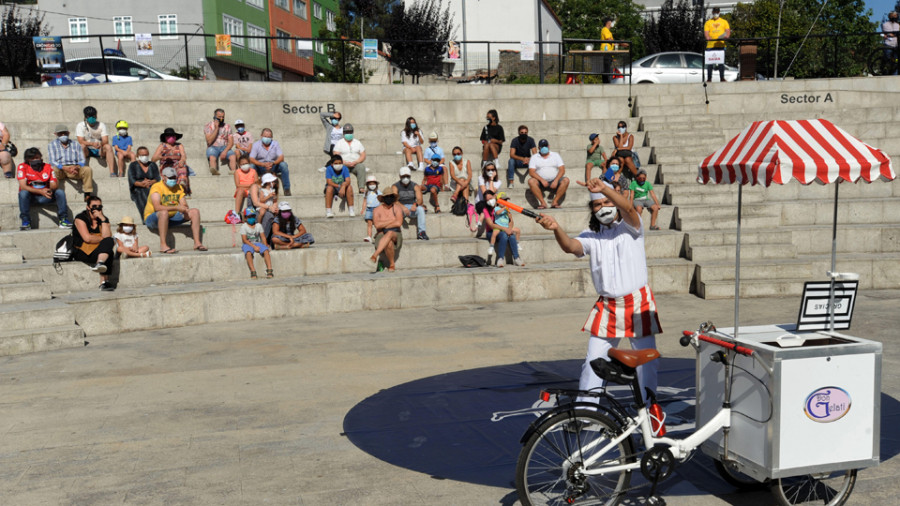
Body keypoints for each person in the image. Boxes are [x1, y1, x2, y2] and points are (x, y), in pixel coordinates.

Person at [536, 178, 662, 403]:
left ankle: (649, 408)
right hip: (608, 306)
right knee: (593, 361)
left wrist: (604, 189)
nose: (603, 207)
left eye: (606, 202)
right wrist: (556, 229)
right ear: (591, 210)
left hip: (637, 303)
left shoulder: (632, 227)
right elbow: (570, 247)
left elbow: (628, 208)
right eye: (597, 205)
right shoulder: (590, 235)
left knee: (646, 364)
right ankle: (587, 410)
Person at [143, 166, 206, 254]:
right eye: (170, 178)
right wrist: (177, 207)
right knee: (164, 213)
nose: (172, 180)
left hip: (171, 217)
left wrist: (184, 208)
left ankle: (197, 243)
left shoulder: (178, 187)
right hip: (153, 218)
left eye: (174, 178)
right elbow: (157, 207)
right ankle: (163, 245)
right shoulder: (156, 187)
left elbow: (184, 203)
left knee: (194, 212)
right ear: (163, 177)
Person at [17, 147, 71, 230]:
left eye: (37, 158)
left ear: (40, 157)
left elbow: (54, 185)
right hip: (31, 197)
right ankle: (26, 221)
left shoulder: (48, 167)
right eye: (32, 158)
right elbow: (23, 186)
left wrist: (48, 189)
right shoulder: (22, 167)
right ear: (27, 159)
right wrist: (40, 191)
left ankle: (63, 219)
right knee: (23, 193)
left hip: (45, 196)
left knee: (60, 192)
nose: (35, 160)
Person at [73, 195, 115, 291]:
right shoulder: (80, 218)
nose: (97, 209)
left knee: (109, 246)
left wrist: (103, 219)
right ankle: (105, 280)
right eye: (94, 206)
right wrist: (102, 239)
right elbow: (87, 238)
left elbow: (107, 236)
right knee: (108, 247)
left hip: (97, 250)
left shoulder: (103, 219)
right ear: (88, 207)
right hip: (81, 251)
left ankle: (101, 273)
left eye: (99, 206)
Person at [370, 186, 409, 272]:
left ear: (393, 198)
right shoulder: (376, 210)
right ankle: (392, 264)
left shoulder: (397, 208)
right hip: (381, 234)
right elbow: (377, 225)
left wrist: (384, 224)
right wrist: (392, 221)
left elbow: (398, 223)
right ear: (383, 198)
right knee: (389, 243)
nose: (389, 198)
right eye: (387, 197)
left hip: (396, 233)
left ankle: (375, 255)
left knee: (390, 233)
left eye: (391, 196)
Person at [49, 124, 93, 195]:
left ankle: (87, 193)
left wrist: (76, 167)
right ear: (56, 134)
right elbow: (52, 161)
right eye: (60, 134)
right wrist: (64, 168)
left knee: (88, 170)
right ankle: (54, 192)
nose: (63, 135)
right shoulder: (52, 145)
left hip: (74, 168)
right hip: (61, 169)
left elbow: (82, 160)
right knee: (53, 170)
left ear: (68, 133)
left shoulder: (75, 144)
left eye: (65, 133)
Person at [483, 191, 523, 268]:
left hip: (504, 228)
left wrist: (509, 229)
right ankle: (500, 258)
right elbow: (491, 225)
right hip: (492, 231)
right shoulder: (486, 210)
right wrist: (505, 229)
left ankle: (517, 258)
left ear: (495, 196)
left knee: (511, 236)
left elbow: (510, 221)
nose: (489, 201)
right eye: (487, 200)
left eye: (491, 198)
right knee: (504, 235)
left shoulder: (505, 208)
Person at [75, 105, 116, 177]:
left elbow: (105, 140)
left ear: (96, 116)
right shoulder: (80, 125)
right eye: (89, 116)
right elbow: (80, 141)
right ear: (85, 117)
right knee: (81, 146)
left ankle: (112, 172)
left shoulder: (101, 125)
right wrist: (91, 144)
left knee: (108, 147)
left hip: (99, 149)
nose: (92, 118)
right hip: (87, 150)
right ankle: (82, 171)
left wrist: (100, 144)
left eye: (93, 116)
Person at [527, 139, 569, 209]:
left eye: (545, 146)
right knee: (531, 181)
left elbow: (562, 170)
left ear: (548, 146)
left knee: (566, 180)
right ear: (539, 148)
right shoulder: (534, 157)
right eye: (542, 146)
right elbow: (531, 172)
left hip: (554, 180)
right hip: (540, 182)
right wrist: (542, 180)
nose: (544, 148)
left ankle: (555, 201)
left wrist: (556, 180)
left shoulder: (555, 155)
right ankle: (542, 203)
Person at [249, 128, 291, 196]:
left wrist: (273, 163)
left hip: (273, 165)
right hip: (261, 167)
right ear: (261, 135)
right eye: (265, 136)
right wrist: (262, 164)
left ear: (272, 137)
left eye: (269, 137)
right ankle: (253, 188)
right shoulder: (256, 145)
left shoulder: (275, 144)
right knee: (251, 166)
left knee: (284, 165)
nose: (267, 138)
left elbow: (281, 157)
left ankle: (287, 189)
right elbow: (251, 159)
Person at [152, 127, 191, 196]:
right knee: (169, 172)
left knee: (183, 167)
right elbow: (153, 159)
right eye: (169, 136)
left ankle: (182, 187)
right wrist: (160, 157)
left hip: (177, 164)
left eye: (172, 136)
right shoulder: (162, 146)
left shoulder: (179, 145)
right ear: (165, 137)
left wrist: (182, 160)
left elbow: (183, 155)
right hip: (166, 165)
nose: (171, 137)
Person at [394, 166, 428, 240]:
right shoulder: (395, 186)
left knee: (420, 209)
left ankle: (422, 232)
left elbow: (419, 199)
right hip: (400, 206)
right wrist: (403, 207)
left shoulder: (415, 186)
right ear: (400, 176)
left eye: (407, 176)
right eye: (403, 176)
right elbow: (394, 200)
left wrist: (415, 205)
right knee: (396, 210)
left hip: (412, 206)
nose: (405, 178)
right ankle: (396, 232)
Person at [332, 123, 367, 193]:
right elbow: (335, 155)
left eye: (350, 132)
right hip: (344, 164)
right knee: (341, 168)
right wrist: (344, 162)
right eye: (347, 132)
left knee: (361, 167)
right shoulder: (339, 143)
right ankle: (342, 187)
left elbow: (363, 155)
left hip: (355, 164)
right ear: (344, 133)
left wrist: (356, 162)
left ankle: (361, 188)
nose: (348, 134)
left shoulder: (357, 142)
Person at [126, 146, 160, 220]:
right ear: (137, 156)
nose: (144, 157)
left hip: (152, 186)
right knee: (143, 193)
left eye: (146, 155)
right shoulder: (133, 165)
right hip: (138, 189)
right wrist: (142, 184)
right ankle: (146, 217)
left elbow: (157, 178)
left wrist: (151, 182)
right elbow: (132, 180)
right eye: (142, 155)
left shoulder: (153, 165)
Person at [240, 208, 273, 279]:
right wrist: (254, 247)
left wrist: (265, 244)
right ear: (245, 218)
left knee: (266, 251)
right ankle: (253, 271)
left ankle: (269, 269)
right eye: (249, 217)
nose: (251, 218)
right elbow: (244, 240)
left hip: (257, 243)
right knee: (248, 253)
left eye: (253, 216)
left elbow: (263, 237)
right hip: (248, 244)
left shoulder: (258, 225)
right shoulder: (244, 227)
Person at [469, 162, 502, 232]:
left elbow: (491, 193)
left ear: (495, 170)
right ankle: (480, 223)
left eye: (492, 169)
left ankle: (480, 223)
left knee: (491, 204)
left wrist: (491, 180)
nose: (490, 171)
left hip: (491, 202)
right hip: (481, 202)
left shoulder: (498, 182)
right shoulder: (481, 178)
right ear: (485, 170)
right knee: (486, 207)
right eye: (488, 170)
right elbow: (486, 194)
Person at [204, 108, 235, 175]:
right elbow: (209, 141)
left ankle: (234, 171)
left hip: (224, 147)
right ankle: (214, 170)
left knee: (232, 156)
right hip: (213, 146)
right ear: (215, 116)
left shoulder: (227, 126)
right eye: (219, 117)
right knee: (212, 156)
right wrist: (216, 128)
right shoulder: (208, 125)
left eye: (222, 117)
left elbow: (231, 142)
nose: (221, 118)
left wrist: (225, 151)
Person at [704, 7, 731, 83]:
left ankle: (722, 78)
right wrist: (707, 37)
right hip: (710, 45)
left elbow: (728, 31)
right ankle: (709, 78)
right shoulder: (708, 22)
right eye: (714, 12)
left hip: (721, 45)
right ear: (712, 12)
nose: (715, 13)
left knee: (721, 63)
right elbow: (706, 32)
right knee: (710, 63)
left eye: (717, 12)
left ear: (719, 12)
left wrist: (727, 36)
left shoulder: (724, 22)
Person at [250, 173, 280, 237]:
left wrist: (275, 207)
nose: (274, 182)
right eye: (273, 181)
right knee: (265, 213)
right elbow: (258, 202)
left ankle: (266, 238)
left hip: (270, 207)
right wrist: (269, 197)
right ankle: (259, 226)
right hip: (262, 207)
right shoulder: (261, 190)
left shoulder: (273, 190)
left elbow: (275, 201)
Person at [363, 174, 382, 243]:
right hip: (369, 209)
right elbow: (365, 201)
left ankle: (378, 235)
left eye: (373, 183)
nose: (372, 185)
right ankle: (369, 236)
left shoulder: (378, 192)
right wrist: (363, 209)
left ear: (376, 184)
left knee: (377, 223)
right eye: (370, 184)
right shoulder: (366, 193)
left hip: (376, 209)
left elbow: (381, 200)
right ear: (367, 185)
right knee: (369, 223)